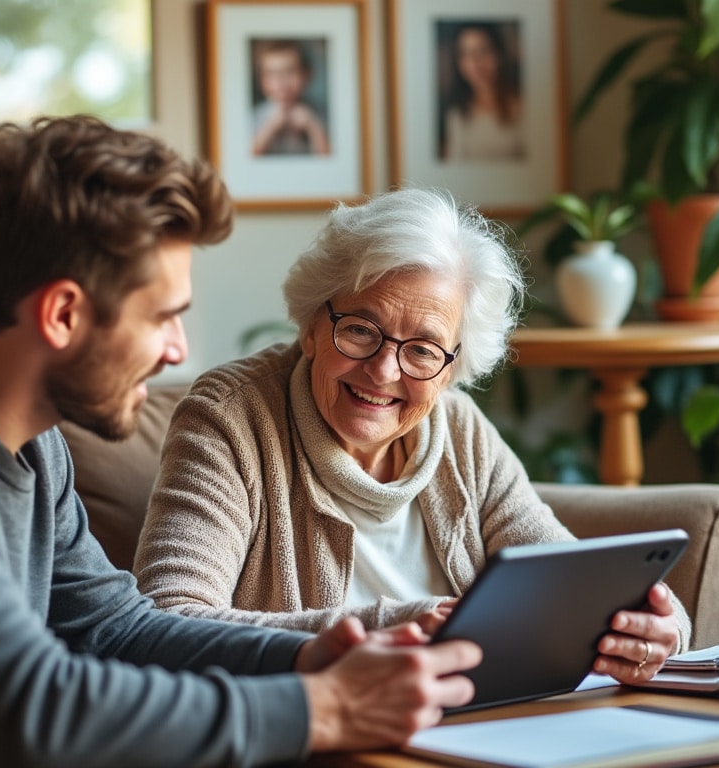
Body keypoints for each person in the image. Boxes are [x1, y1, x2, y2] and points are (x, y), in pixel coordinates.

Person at [0, 116, 480, 768]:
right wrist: (322, 708)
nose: (178, 348)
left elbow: (115, 631)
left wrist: (305, 661)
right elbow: (26, 715)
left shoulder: (30, 439)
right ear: (63, 314)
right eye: (163, 314)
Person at [133, 187, 689, 683]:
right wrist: (395, 623)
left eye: (422, 349)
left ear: (451, 370)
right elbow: (167, 619)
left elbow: (570, 579)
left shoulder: (462, 430)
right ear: (310, 328)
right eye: (359, 330)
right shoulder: (230, 418)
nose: (384, 371)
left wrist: (659, 626)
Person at [441, 22, 524, 161]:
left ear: (499, 54)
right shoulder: (456, 113)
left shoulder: (524, 106)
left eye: (483, 51)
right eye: (465, 54)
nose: (474, 63)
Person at [251, 39, 331, 156]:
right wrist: (270, 128)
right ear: (262, 80)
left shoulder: (322, 115)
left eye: (290, 71)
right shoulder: (254, 117)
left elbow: (333, 161)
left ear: (307, 74)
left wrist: (313, 127)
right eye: (272, 74)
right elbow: (245, 160)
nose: (282, 82)